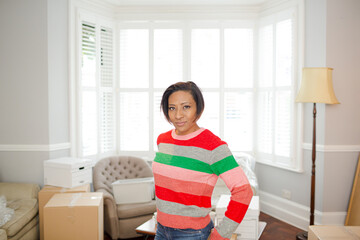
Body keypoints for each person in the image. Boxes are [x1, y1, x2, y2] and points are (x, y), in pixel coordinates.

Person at [152, 81, 253, 240]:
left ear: (198, 108)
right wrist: (161, 219)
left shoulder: (213, 146)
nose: (178, 115)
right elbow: (167, 187)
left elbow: (243, 191)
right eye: (172, 108)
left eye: (186, 107)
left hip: (192, 234)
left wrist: (221, 233)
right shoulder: (163, 140)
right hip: (162, 230)